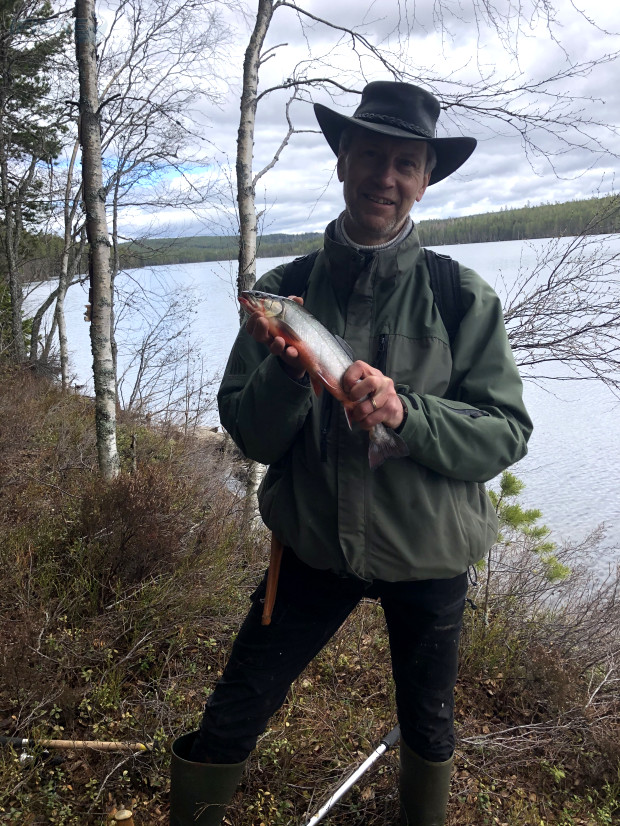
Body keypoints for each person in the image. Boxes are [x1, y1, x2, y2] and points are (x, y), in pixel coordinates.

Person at [169, 81, 533, 826]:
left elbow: (505, 432)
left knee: (429, 727)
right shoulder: (285, 293)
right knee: (236, 706)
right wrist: (287, 373)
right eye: (370, 156)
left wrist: (408, 413)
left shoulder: (461, 297)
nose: (385, 177)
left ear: (425, 181)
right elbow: (252, 436)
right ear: (342, 162)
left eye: (405, 164)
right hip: (310, 545)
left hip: (429, 554)